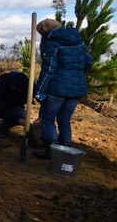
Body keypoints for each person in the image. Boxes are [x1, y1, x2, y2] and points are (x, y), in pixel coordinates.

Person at [33, 19, 92, 155]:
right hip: (77, 89)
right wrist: (75, 75)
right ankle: (65, 152)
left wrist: (40, 91)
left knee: (48, 119)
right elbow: (88, 62)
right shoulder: (78, 39)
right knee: (64, 120)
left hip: (57, 89)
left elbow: (48, 69)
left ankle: (51, 153)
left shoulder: (51, 43)